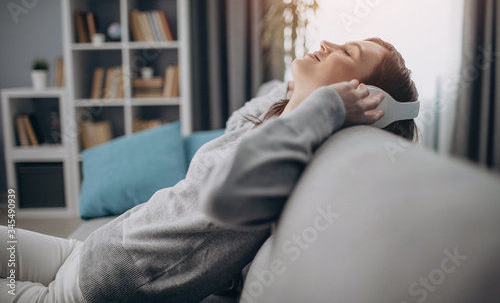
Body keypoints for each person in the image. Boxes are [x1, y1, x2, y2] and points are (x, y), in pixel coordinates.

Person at [0, 38, 417, 303]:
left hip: (87, 289)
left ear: (367, 99)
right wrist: (299, 95)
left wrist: (323, 106)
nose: (327, 43)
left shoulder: (291, 154)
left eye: (347, 53)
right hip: (88, 251)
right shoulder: (280, 128)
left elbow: (226, 193)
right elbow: (238, 123)